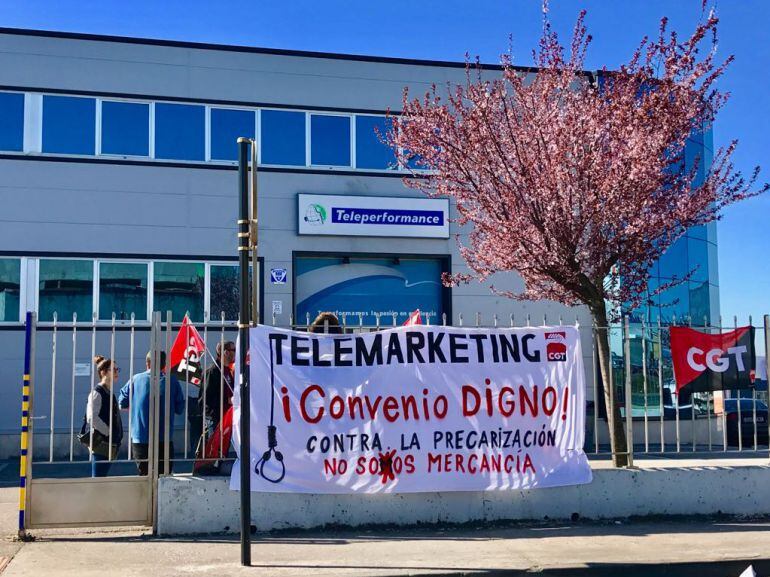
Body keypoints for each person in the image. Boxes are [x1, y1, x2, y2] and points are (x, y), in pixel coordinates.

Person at [119, 351, 184, 475]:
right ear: (164, 364)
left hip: (140, 437)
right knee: (164, 475)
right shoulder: (172, 381)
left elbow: (122, 402)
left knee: (144, 476)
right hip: (163, 437)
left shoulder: (135, 379)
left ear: (147, 363)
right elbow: (180, 408)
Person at [85, 355, 123, 477]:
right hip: (101, 444)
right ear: (103, 372)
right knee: (98, 479)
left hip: (109, 444)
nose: (117, 372)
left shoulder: (108, 392)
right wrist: (108, 432)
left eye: (117, 369)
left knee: (102, 478)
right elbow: (92, 418)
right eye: (114, 369)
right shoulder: (97, 392)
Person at [201, 341, 235, 433]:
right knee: (214, 447)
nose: (236, 353)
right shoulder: (213, 371)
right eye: (234, 350)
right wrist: (227, 399)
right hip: (215, 419)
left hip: (228, 417)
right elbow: (205, 398)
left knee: (224, 447)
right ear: (226, 352)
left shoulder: (229, 371)